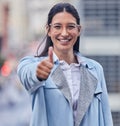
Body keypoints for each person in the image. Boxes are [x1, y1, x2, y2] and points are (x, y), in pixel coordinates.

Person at [17, 2, 113, 126]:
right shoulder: (34, 65)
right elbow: (26, 73)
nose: (64, 33)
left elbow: (106, 117)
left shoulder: (95, 69)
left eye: (70, 26)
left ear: (78, 30)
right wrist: (38, 73)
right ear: (48, 30)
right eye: (57, 27)